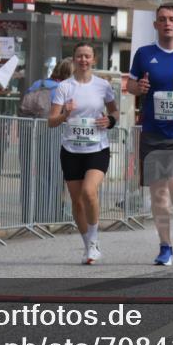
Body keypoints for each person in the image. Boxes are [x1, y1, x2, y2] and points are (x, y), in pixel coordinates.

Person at [128, 4, 173, 266]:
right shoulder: (144, 54)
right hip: (153, 133)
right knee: (158, 195)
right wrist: (139, 87)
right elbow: (131, 85)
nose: (167, 23)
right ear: (155, 24)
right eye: (162, 19)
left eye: (171, 19)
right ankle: (165, 247)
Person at [48, 42, 119, 265]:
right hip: (71, 150)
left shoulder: (103, 85)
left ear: (94, 59)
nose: (83, 60)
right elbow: (51, 121)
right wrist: (65, 114)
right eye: (80, 56)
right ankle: (88, 244)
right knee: (77, 201)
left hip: (97, 148)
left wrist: (110, 120)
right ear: (74, 59)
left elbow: (115, 111)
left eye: (87, 56)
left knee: (89, 192)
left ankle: (95, 240)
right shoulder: (64, 87)